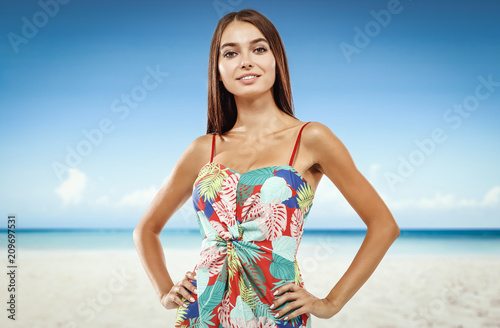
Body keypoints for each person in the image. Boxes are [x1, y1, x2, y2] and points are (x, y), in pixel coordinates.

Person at [133, 8, 400, 327]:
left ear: (277, 61)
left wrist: (330, 303)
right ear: (218, 70)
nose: (245, 61)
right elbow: (145, 230)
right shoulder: (203, 149)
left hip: (276, 313)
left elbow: (384, 225)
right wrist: (165, 291)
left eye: (258, 49)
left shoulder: (311, 138)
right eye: (230, 53)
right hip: (202, 310)